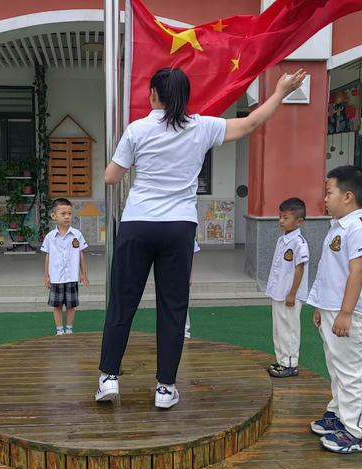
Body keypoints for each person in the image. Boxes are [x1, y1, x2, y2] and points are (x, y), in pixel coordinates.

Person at [96, 66, 306, 409]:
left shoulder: (137, 129)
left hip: (138, 224)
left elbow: (110, 177)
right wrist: (280, 93)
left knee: (123, 302)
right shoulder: (203, 126)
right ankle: (165, 388)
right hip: (179, 227)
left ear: (153, 95)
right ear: (185, 97)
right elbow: (251, 124)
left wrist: (127, 161)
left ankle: (108, 379)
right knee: (173, 307)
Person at [307, 166, 362, 454]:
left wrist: (345, 313)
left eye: (329, 193)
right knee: (336, 368)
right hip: (331, 309)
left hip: (347, 313)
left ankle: (355, 431)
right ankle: (340, 414)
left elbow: (357, 272)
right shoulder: (338, 227)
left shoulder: (358, 226)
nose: (324, 198)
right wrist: (320, 304)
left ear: (348, 196)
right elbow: (329, 271)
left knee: (351, 371)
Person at [266, 198, 309, 378]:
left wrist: (292, 293)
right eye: (280, 217)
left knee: (290, 328)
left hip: (290, 295)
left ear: (299, 221)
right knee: (279, 328)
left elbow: (300, 268)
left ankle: (291, 364)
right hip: (279, 292)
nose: (281, 221)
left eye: (285, 217)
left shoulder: (299, 242)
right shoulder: (282, 239)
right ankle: (282, 360)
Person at [41, 198, 89, 335]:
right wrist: (47, 276)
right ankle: (59, 330)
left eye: (69, 213)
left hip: (71, 277)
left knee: (71, 305)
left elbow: (80, 254)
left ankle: (69, 329)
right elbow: (47, 256)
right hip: (56, 277)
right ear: (54, 216)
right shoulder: (50, 237)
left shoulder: (77, 235)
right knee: (57, 306)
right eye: (63, 214)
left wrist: (83, 274)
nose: (67, 216)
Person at [185, 239, 200, 340]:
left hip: (181, 271)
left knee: (182, 303)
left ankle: (185, 331)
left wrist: (190, 275)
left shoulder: (186, 227)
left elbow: (191, 253)